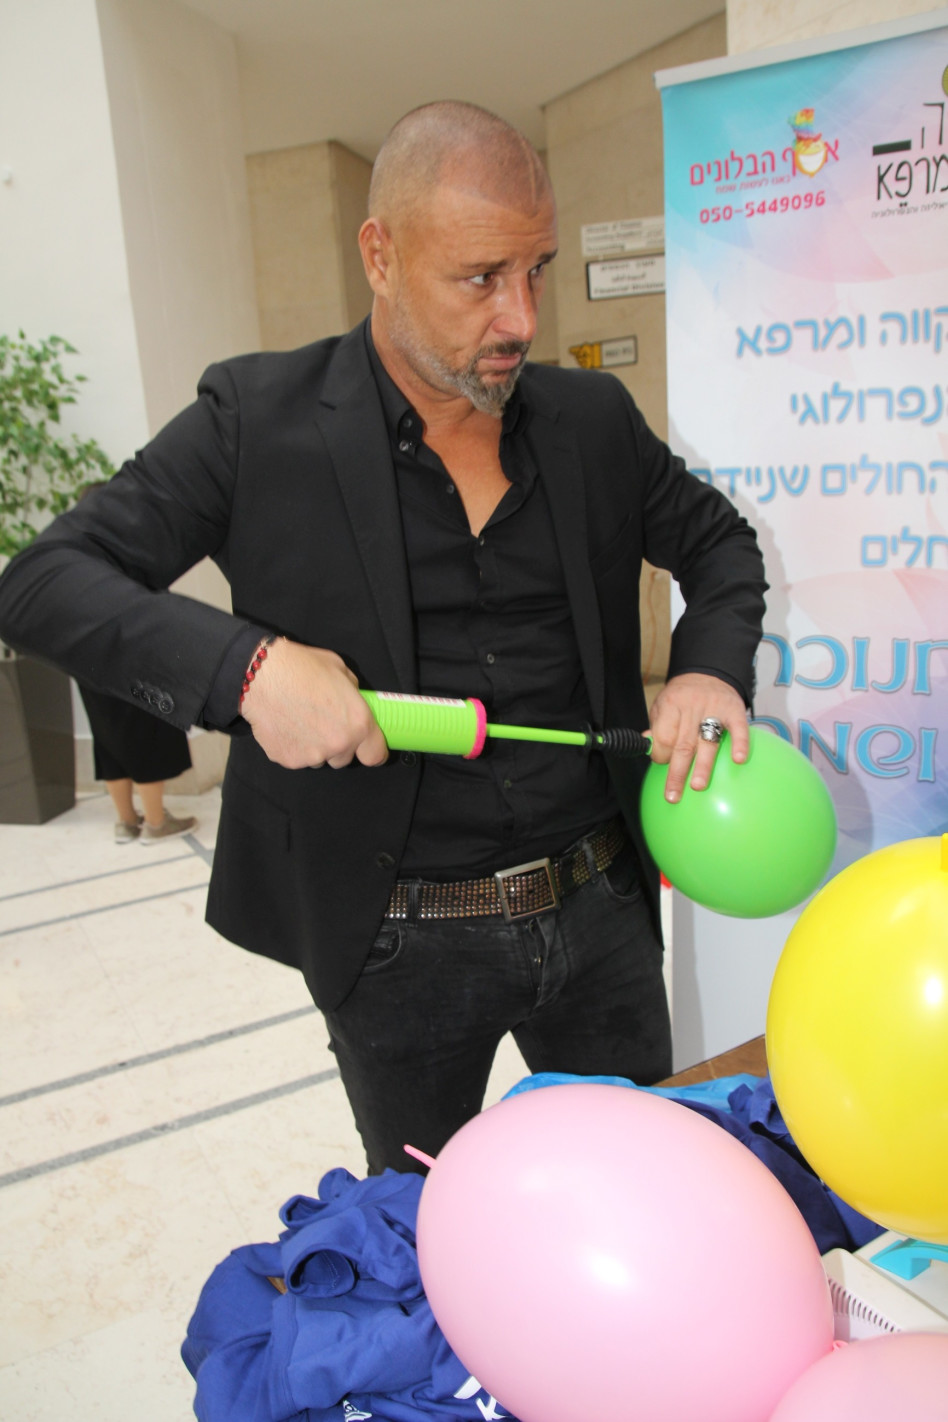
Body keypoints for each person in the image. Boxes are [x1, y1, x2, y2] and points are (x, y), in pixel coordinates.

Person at [0, 101, 767, 1173]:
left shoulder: (592, 421)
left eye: (536, 270)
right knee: (419, 1228)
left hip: (601, 908)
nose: (520, 317)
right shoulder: (252, 421)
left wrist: (707, 672)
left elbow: (721, 544)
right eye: (480, 278)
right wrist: (248, 670)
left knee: (642, 1187)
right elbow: (41, 582)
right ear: (381, 255)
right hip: (397, 938)